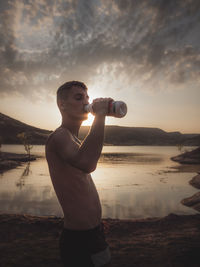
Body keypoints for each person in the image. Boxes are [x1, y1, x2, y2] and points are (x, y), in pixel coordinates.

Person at [45, 81, 112, 267]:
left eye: (87, 98)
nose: (85, 102)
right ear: (62, 104)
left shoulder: (74, 139)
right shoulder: (59, 136)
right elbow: (87, 163)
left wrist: (96, 222)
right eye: (78, 97)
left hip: (94, 232)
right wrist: (100, 116)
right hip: (80, 238)